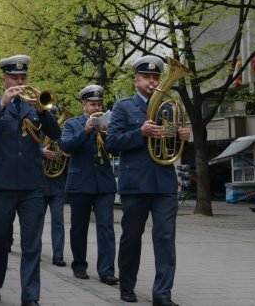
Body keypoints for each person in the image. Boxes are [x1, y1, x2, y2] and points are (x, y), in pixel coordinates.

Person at [105, 56, 191, 306]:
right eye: (147, 78)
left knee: (165, 239)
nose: (152, 82)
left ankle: (162, 295)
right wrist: (139, 133)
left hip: (164, 182)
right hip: (136, 183)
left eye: (156, 77)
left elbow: (172, 143)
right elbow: (112, 144)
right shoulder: (123, 107)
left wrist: (183, 135)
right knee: (132, 237)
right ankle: (127, 286)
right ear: (136, 81)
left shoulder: (169, 107)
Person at [0, 55, 61, 306]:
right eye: (15, 77)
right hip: (0, 184)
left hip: (31, 184)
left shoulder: (36, 105)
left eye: (23, 77)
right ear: (4, 79)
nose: (20, 81)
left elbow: (56, 134)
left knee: (32, 243)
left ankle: (31, 297)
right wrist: (3, 103)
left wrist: (42, 112)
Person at [60, 85, 118, 285]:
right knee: (79, 227)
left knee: (106, 228)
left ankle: (107, 271)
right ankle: (79, 265)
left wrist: (109, 133)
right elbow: (65, 146)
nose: (96, 107)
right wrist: (85, 131)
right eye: (92, 104)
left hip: (104, 184)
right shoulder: (73, 124)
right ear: (84, 105)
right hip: (80, 183)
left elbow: (117, 150)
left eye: (99, 104)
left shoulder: (108, 123)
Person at [41, 108, 69, 268]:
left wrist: (66, 154)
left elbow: (70, 151)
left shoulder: (61, 136)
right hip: (39, 184)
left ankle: (58, 255)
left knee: (58, 221)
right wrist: (41, 152)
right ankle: (34, 251)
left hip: (57, 184)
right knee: (36, 222)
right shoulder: (35, 133)